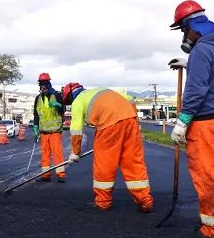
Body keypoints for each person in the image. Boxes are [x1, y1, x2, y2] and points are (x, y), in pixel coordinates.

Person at [168, 0, 214, 238]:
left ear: (191, 26)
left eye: (184, 30)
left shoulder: (201, 51)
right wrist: (190, 65)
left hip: (205, 123)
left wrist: (183, 121)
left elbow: (196, 90)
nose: (185, 35)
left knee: (207, 178)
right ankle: (211, 221)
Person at [62, 83, 154, 212]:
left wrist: (75, 152)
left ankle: (103, 202)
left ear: (71, 96)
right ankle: (145, 201)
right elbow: (130, 99)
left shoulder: (78, 100)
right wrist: (132, 120)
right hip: (130, 121)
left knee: (104, 164)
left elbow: (76, 129)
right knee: (133, 162)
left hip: (109, 126)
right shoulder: (100, 90)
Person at [33, 72, 66, 183]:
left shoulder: (56, 95)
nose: (42, 86)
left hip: (55, 130)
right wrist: (35, 126)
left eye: (44, 84)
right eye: (40, 84)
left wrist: (59, 105)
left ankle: (61, 174)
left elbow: (63, 109)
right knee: (45, 154)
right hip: (43, 132)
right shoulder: (38, 98)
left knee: (57, 153)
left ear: (48, 84)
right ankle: (45, 175)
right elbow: (36, 114)